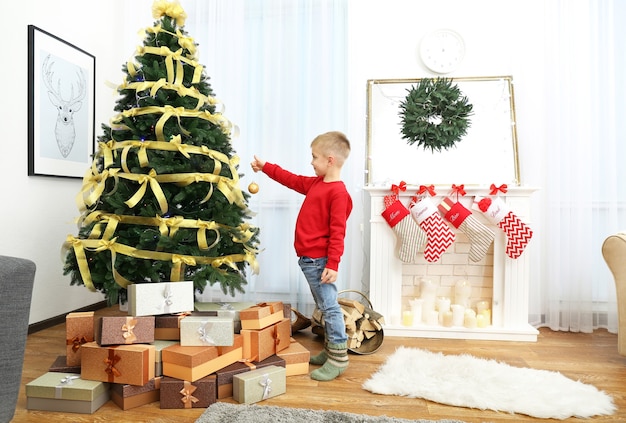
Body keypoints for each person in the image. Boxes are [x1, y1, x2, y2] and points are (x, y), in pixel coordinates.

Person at [250, 131, 353, 381]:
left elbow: (338, 232)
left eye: (314, 157)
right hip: (309, 260)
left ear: (330, 160)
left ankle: (339, 359)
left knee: (330, 308)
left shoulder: (338, 193)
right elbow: (292, 179)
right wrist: (266, 167)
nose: (311, 162)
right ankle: (331, 351)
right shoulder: (317, 184)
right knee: (324, 306)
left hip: (320, 262)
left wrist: (333, 264)